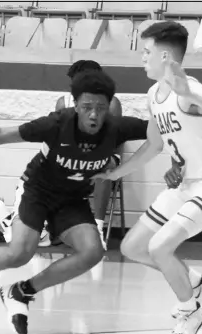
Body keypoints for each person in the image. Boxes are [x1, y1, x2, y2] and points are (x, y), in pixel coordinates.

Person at [0, 70, 149, 334]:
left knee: (93, 251)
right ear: (75, 104)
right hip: (37, 190)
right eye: (87, 107)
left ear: (109, 109)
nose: (94, 114)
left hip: (72, 200)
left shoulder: (118, 128)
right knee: (20, 253)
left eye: (101, 108)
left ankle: (21, 292)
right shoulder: (56, 124)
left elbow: (162, 130)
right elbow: (1, 134)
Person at [93, 21, 202, 334]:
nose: (142, 58)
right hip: (186, 183)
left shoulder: (188, 89)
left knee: (160, 247)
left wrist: (188, 92)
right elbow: (153, 146)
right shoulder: (152, 95)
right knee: (131, 248)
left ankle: (190, 312)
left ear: (166, 55)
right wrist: (115, 173)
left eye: (146, 52)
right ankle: (195, 281)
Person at [40, 59, 123, 249]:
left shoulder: (111, 103)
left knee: (104, 167)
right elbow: (57, 134)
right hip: (72, 155)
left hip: (104, 154)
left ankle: (98, 228)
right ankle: (51, 225)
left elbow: (115, 138)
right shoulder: (64, 101)